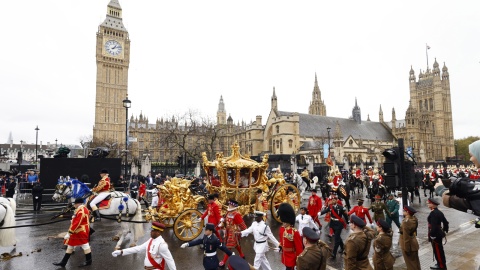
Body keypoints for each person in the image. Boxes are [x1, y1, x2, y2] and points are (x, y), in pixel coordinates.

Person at [112, 221, 176, 270]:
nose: (150, 232)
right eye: (151, 230)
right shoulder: (151, 240)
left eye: (153, 230)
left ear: (158, 232)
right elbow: (138, 248)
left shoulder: (162, 245)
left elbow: (170, 260)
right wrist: (121, 251)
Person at [53, 198, 92, 267]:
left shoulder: (81, 211)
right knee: (71, 245)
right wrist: (62, 216)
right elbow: (75, 218)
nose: (74, 205)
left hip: (80, 231)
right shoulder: (82, 209)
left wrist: (69, 233)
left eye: (75, 204)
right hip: (78, 230)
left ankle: (89, 261)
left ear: (78, 204)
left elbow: (77, 223)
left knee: (85, 245)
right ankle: (63, 262)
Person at [219, 199, 247, 267]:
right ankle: (241, 254)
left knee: (228, 247)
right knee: (236, 244)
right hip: (228, 231)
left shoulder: (236, 214)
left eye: (230, 204)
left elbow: (241, 224)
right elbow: (226, 220)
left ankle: (223, 262)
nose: (229, 205)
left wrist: (245, 231)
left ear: (233, 205)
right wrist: (223, 221)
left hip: (234, 232)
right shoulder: (228, 212)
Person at [320, 195, 348, 259]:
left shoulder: (341, 207)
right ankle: (342, 247)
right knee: (337, 236)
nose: (333, 201)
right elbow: (326, 211)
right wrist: (320, 213)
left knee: (336, 239)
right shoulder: (330, 207)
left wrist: (347, 221)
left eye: (334, 200)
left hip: (338, 224)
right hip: (333, 223)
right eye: (332, 200)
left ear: (336, 200)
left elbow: (345, 215)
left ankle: (334, 253)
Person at [277, 203, 303, 270]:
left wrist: (298, 261)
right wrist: (280, 246)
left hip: (292, 257)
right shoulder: (282, 229)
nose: (284, 224)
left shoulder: (294, 232)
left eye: (285, 222)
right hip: (285, 255)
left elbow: (299, 248)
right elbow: (282, 240)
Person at [427, 198, 449, 270]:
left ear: (433, 205)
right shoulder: (439, 212)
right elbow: (445, 222)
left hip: (435, 235)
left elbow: (434, 226)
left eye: (429, 203)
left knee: (438, 251)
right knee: (439, 250)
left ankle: (441, 266)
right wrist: (445, 230)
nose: (428, 204)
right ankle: (440, 263)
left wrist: (432, 235)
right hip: (439, 233)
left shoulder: (433, 213)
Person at [399, 206, 421, 270]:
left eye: (404, 211)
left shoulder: (406, 222)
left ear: (407, 212)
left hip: (409, 245)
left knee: (410, 265)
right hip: (413, 242)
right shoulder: (414, 219)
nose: (403, 212)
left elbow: (406, 236)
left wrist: (407, 249)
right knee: (415, 263)